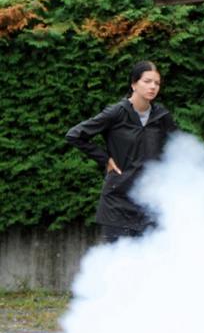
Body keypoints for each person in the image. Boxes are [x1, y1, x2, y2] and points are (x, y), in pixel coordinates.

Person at [66, 61, 177, 243]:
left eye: (157, 83)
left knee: (153, 265)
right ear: (133, 84)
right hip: (117, 204)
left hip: (150, 203)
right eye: (147, 81)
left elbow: (178, 147)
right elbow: (75, 135)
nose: (153, 87)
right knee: (118, 266)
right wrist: (105, 159)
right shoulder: (117, 112)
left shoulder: (162, 116)